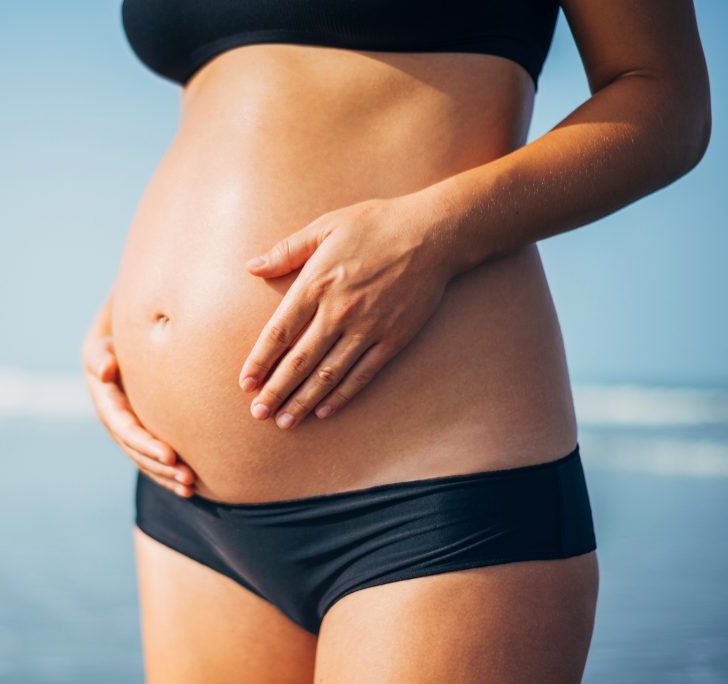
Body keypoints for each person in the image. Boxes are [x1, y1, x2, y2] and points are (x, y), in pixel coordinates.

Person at [81, 0, 711, 681]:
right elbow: (239, 120)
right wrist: (130, 315)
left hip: (432, 498)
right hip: (188, 506)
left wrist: (434, 233)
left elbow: (666, 99)